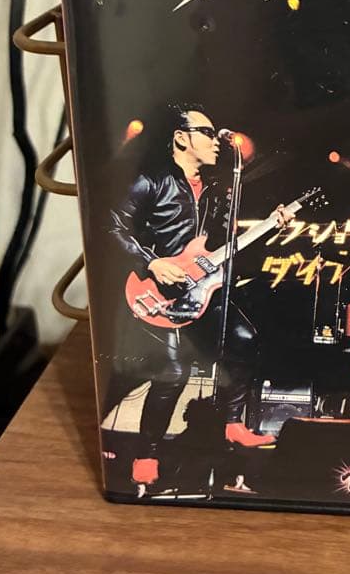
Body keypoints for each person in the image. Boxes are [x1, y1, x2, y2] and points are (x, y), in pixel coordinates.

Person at [103, 104, 292, 490]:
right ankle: (147, 453)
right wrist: (152, 263)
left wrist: (271, 227)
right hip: (154, 292)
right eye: (206, 132)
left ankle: (233, 424)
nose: (216, 141)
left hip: (200, 288)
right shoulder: (152, 181)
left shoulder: (216, 191)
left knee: (245, 339)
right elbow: (113, 227)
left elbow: (223, 248)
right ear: (181, 138)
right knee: (173, 374)